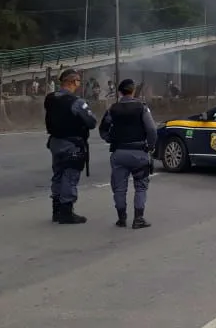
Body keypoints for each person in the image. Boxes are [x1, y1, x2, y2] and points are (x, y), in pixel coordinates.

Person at [99, 78, 158, 228]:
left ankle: (121, 218)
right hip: (139, 153)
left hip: (119, 152)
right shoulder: (142, 107)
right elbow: (151, 130)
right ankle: (138, 219)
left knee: (119, 187)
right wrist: (150, 146)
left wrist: (110, 140)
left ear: (119, 92)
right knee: (140, 186)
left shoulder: (112, 109)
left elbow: (103, 129)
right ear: (133, 91)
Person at [45, 68, 98, 224]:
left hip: (55, 142)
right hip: (72, 144)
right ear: (73, 81)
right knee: (70, 176)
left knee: (58, 175)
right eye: (78, 81)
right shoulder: (76, 102)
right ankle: (66, 212)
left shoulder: (50, 98)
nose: (79, 84)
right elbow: (92, 122)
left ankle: (56, 210)